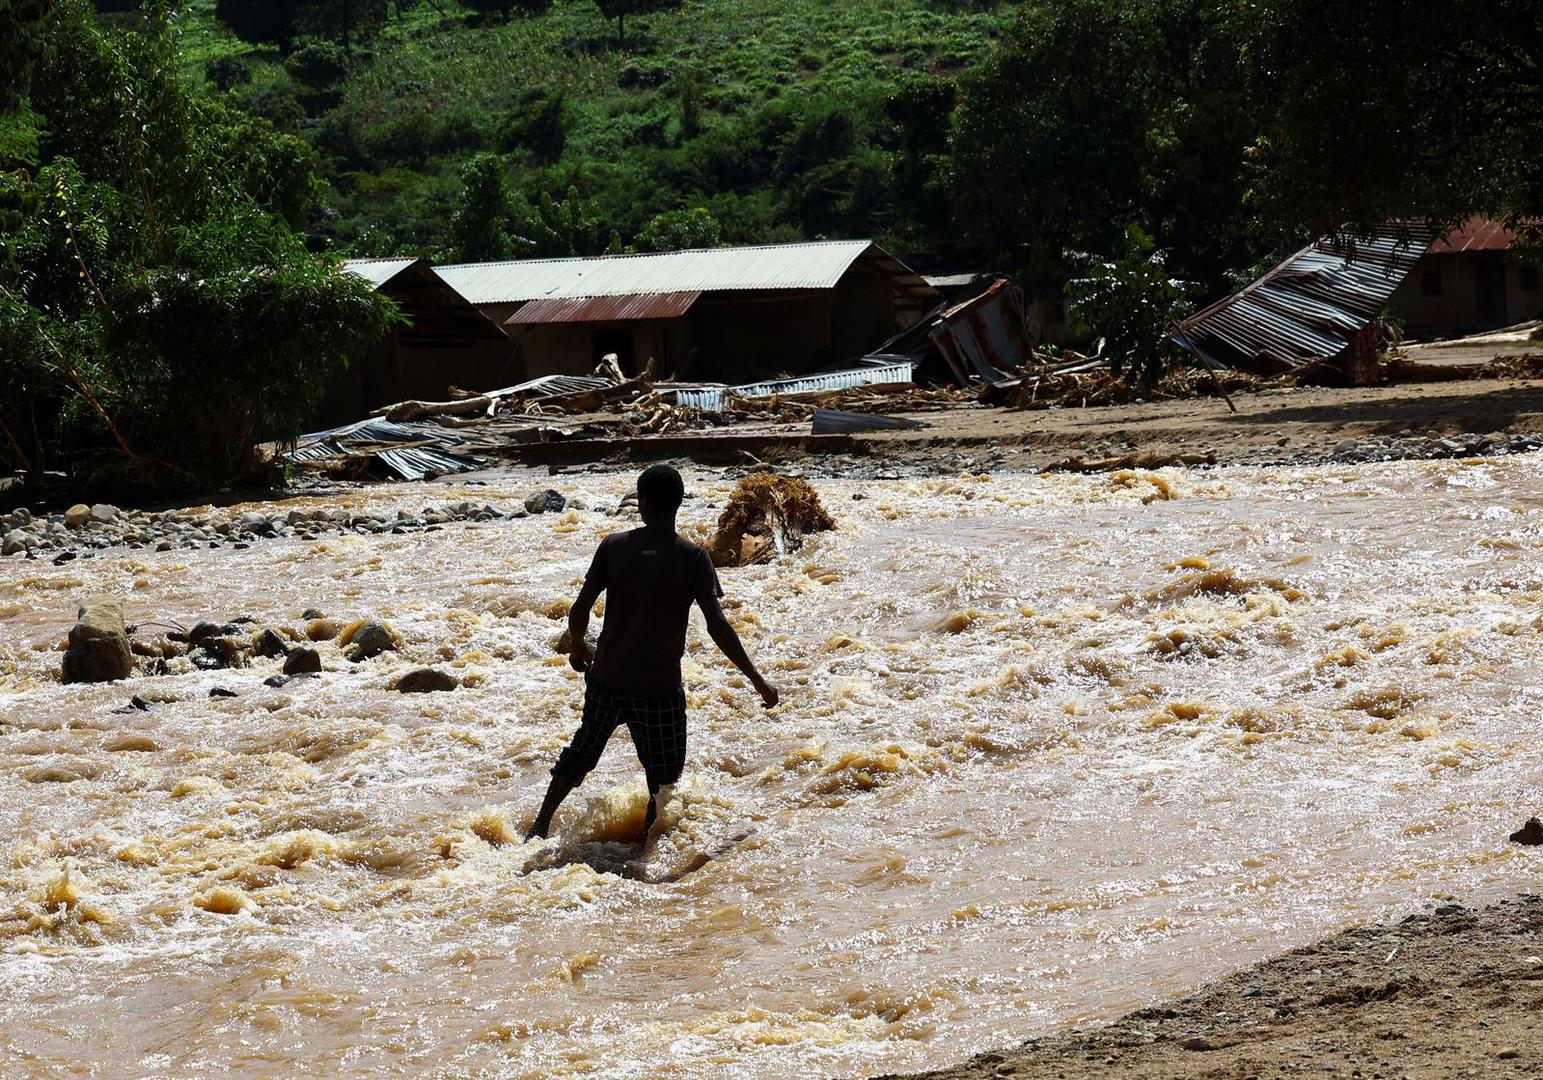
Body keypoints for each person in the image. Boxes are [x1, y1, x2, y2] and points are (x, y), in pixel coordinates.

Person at [526, 464, 779, 842]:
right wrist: (757, 680)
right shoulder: (693, 558)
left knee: (582, 752)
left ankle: (541, 823)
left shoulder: (613, 546)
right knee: (663, 778)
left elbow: (579, 609)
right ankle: (646, 845)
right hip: (658, 691)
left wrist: (578, 646)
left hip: (608, 680)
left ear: (642, 504)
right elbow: (718, 626)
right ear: (678, 504)